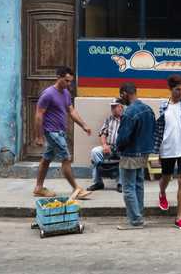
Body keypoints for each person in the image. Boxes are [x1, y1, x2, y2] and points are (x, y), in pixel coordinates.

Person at [33, 66, 92, 200]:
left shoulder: (65, 93)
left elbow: (71, 111)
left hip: (60, 132)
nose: (68, 84)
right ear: (58, 77)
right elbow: (38, 115)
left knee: (47, 158)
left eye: (70, 81)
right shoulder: (48, 94)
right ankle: (77, 189)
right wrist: (39, 136)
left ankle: (38, 188)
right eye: (66, 81)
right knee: (66, 158)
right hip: (52, 132)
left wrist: (83, 125)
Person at [154, 74, 181, 230]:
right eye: (178, 89)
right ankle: (162, 192)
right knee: (166, 177)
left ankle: (179, 217)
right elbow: (161, 129)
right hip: (167, 147)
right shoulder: (163, 105)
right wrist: (158, 150)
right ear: (170, 89)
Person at [115, 82, 156, 230]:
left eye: (121, 95)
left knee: (128, 188)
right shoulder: (148, 109)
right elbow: (154, 131)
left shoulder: (129, 112)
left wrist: (117, 148)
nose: (121, 99)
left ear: (125, 93)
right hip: (144, 153)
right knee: (138, 185)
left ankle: (136, 220)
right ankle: (139, 215)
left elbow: (123, 137)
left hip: (130, 154)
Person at [88, 98, 124, 193]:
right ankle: (98, 181)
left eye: (114, 106)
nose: (112, 109)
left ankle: (121, 183)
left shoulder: (127, 118)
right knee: (95, 152)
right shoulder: (109, 119)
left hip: (122, 148)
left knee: (125, 156)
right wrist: (104, 145)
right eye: (111, 107)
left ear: (121, 107)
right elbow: (103, 133)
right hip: (110, 147)